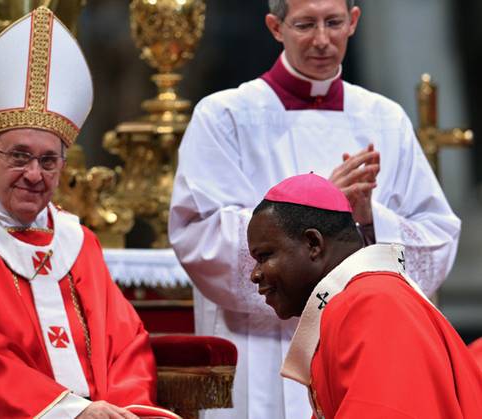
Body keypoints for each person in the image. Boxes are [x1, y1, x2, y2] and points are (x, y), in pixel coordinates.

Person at [168, 0, 461, 417]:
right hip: (263, 346)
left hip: (361, 342)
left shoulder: (385, 118)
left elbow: (436, 236)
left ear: (353, 22)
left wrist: (369, 221)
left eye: (333, 22)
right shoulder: (224, 115)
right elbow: (199, 236)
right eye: (305, 24)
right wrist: (321, 202)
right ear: (275, 26)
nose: (322, 40)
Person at [0, 7, 179, 419]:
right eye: (19, 157)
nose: (34, 175)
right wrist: (69, 411)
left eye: (49, 161)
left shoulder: (79, 243)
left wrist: (121, 410)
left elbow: (125, 342)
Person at [247, 173, 482, 418]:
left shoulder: (371, 304)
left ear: (313, 243)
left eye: (264, 256)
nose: (254, 274)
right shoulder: (361, 298)